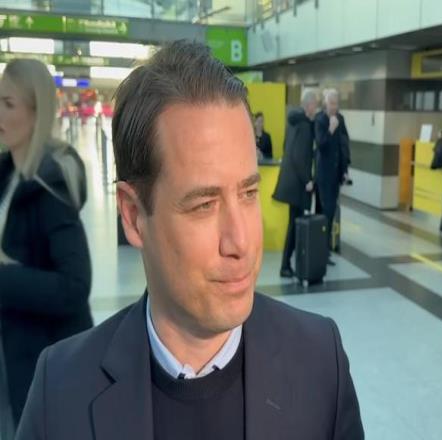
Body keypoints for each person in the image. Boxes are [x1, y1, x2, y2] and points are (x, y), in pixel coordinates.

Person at [17, 41, 363, 440]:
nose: (241, 243)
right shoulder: (60, 391)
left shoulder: (321, 363)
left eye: (249, 193)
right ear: (133, 216)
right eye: (204, 205)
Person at [0, 59, 92, 430]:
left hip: (39, 362)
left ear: (36, 113)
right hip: (10, 352)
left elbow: (75, 286)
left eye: (8, 104)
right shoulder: (7, 176)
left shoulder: (50, 189)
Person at [273, 90, 318, 278]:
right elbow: (299, 157)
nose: (316, 108)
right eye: (315, 104)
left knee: (293, 224)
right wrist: (307, 180)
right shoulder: (305, 126)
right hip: (298, 185)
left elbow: (287, 147)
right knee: (294, 226)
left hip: (290, 181)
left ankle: (288, 264)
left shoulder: (293, 122)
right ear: (309, 105)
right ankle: (285, 265)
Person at [315, 89, 350, 253]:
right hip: (324, 174)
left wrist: (345, 169)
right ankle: (323, 248)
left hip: (336, 174)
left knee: (331, 210)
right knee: (327, 210)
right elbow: (321, 145)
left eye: (336, 104)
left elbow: (344, 145)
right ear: (325, 104)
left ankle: (327, 246)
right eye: (331, 103)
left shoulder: (340, 119)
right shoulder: (320, 119)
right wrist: (330, 129)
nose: (334, 107)